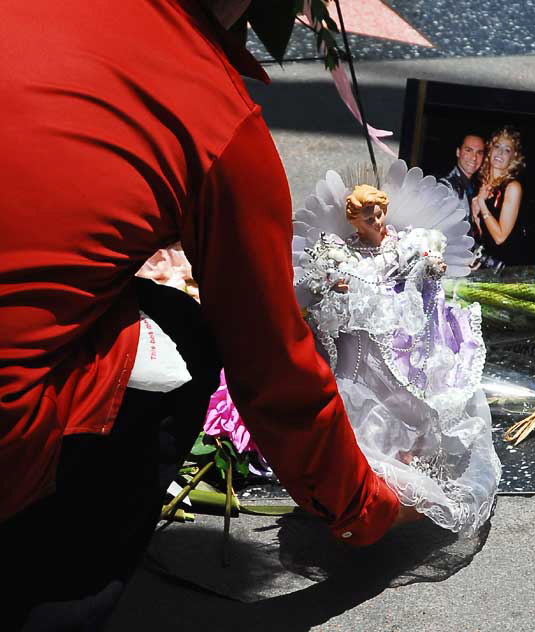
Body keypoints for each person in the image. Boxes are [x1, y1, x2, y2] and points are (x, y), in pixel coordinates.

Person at [0, 2, 417, 629]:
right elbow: (275, 374)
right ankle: (52, 596)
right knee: (184, 337)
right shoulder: (212, 114)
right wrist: (367, 506)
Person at [294, 168, 501, 537]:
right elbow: (324, 279)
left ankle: (417, 455)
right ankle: (368, 469)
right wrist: (339, 283)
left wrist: (429, 267)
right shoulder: (342, 251)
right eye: (365, 215)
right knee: (360, 400)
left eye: (378, 212)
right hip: (363, 344)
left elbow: (426, 266)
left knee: (412, 400)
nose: (374, 220)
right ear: (353, 221)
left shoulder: (406, 241)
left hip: (403, 341)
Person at [471, 126, 526, 266]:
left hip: (506, 268)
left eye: (507, 150)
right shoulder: (482, 183)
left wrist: (482, 205)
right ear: (490, 150)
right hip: (486, 263)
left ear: (513, 158)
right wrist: (475, 215)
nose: (500, 153)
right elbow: (484, 235)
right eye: (497, 146)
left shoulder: (512, 187)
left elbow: (500, 237)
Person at [440, 133, 485, 225]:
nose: (474, 158)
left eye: (479, 153)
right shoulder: (446, 186)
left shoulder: (478, 187)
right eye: (468, 150)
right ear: (458, 152)